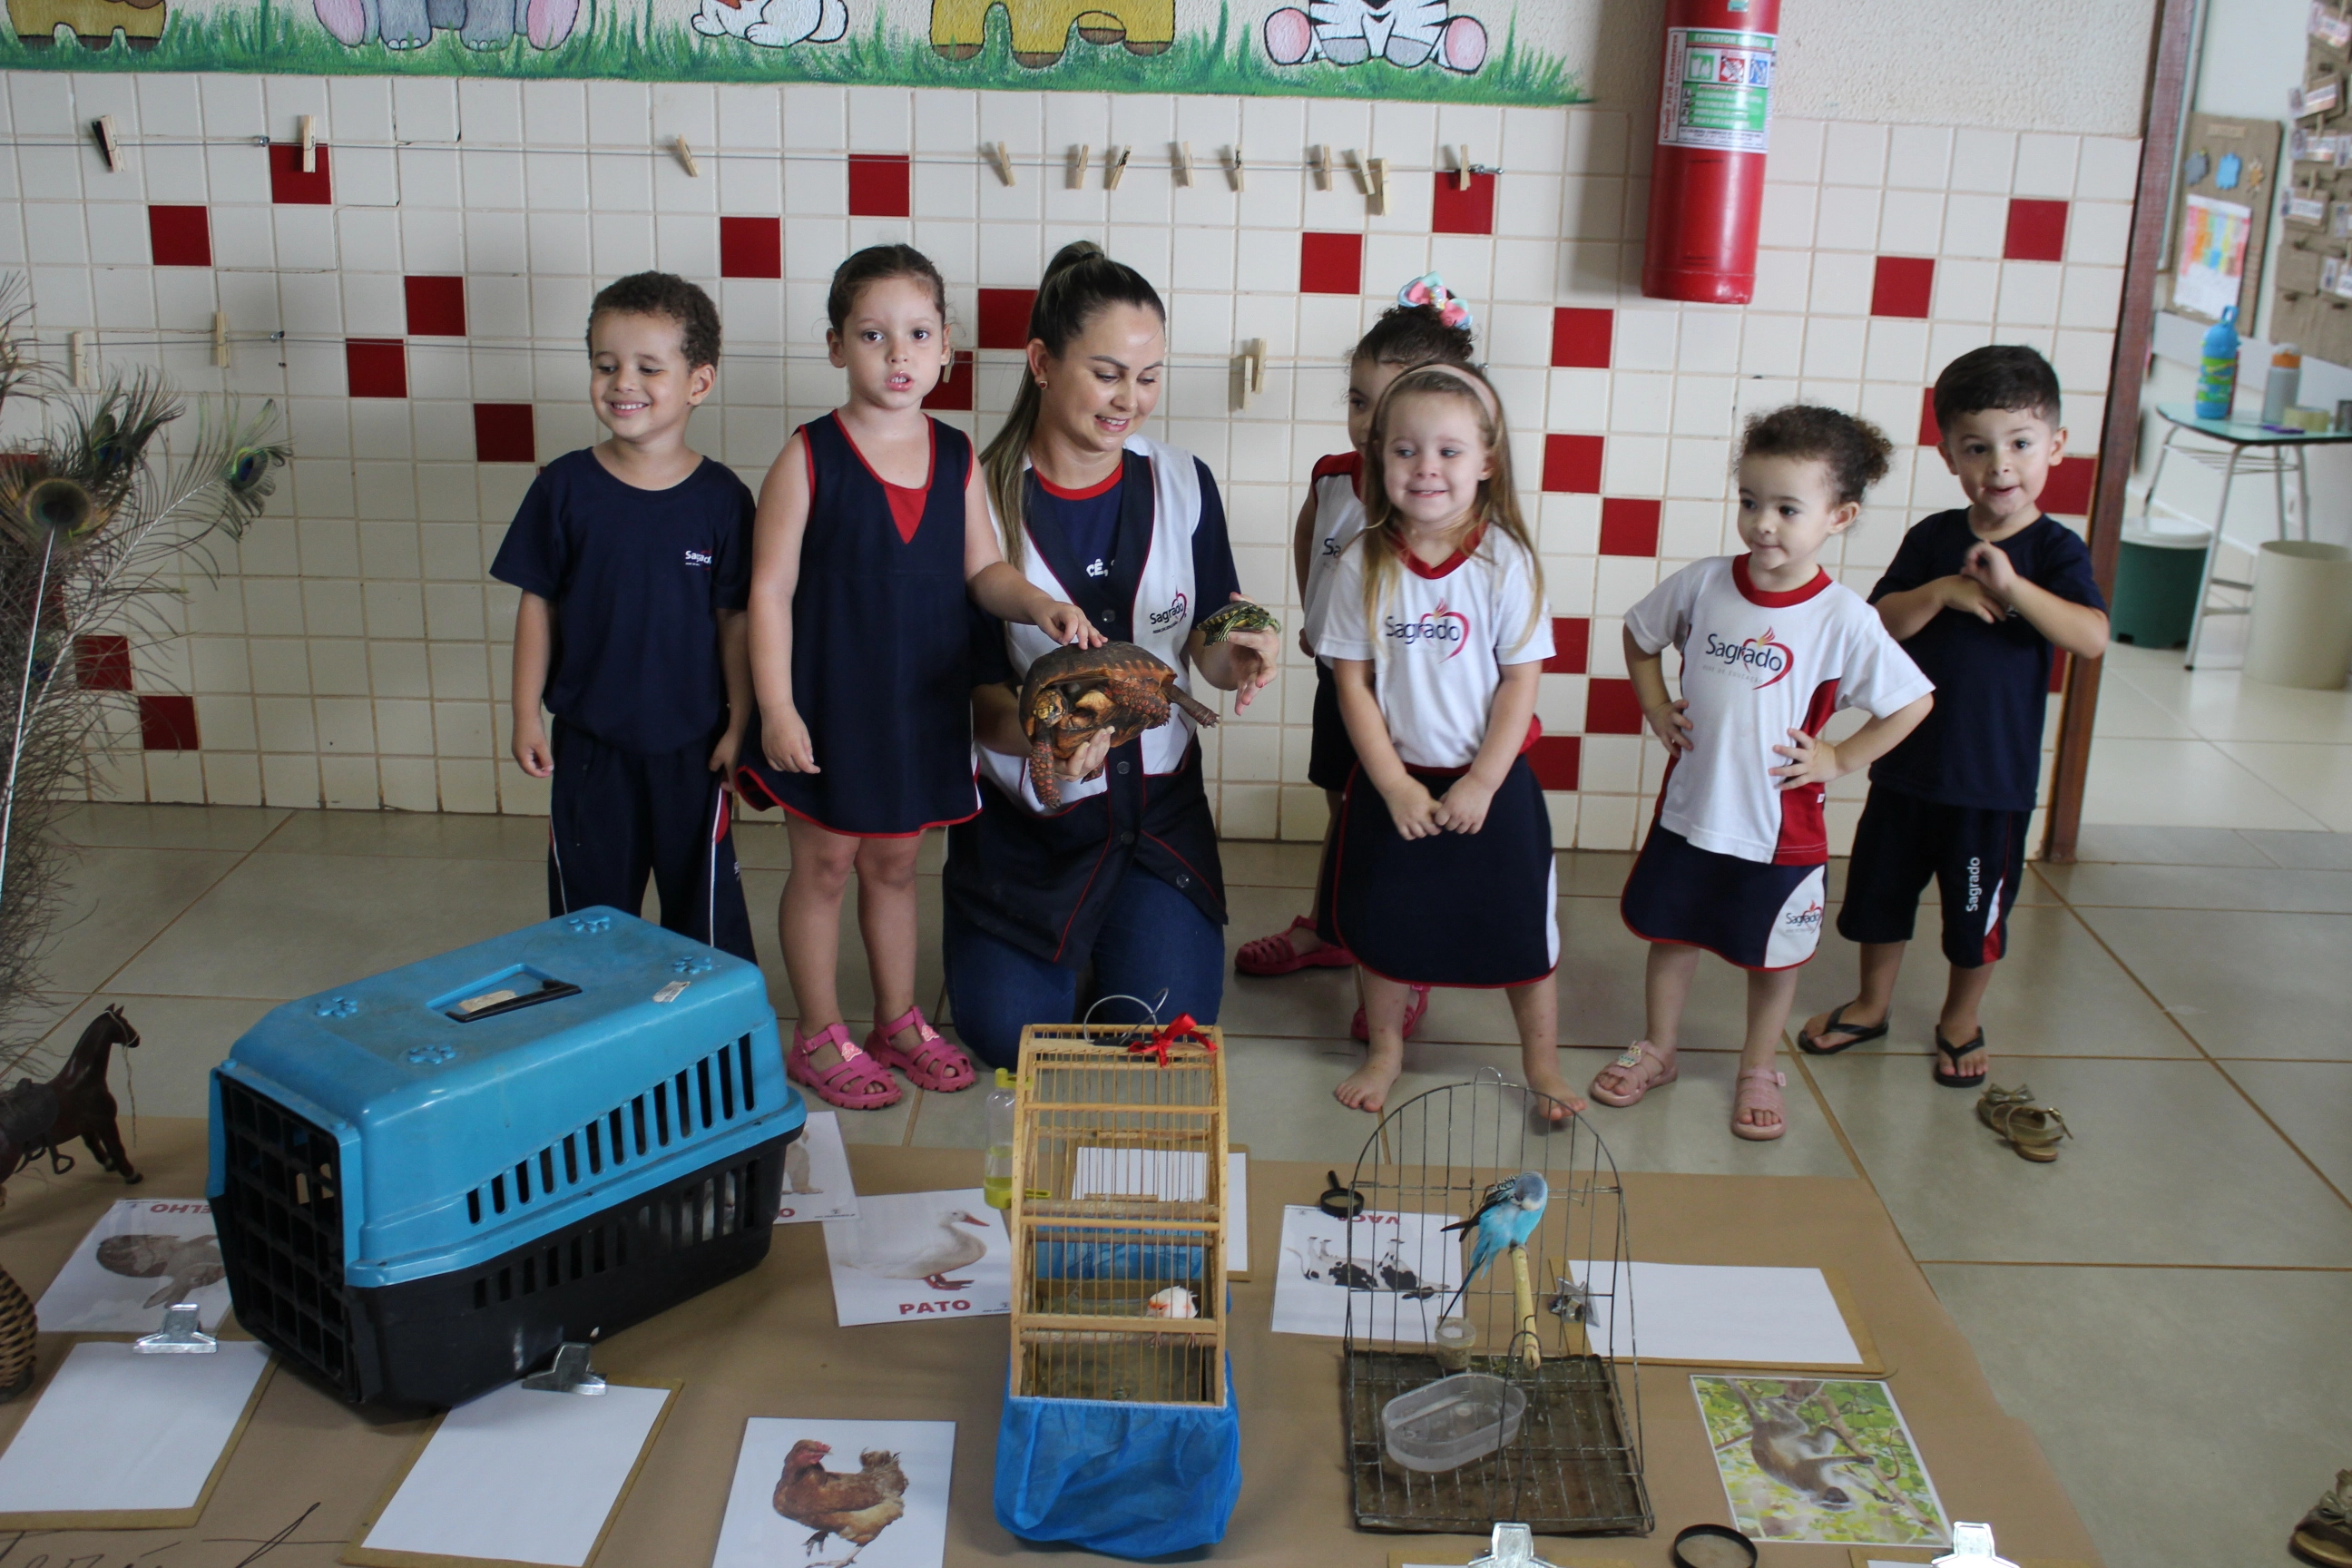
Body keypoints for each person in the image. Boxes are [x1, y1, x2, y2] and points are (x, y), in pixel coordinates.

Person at [738, 245, 1095, 1110]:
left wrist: (1037, 603)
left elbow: (984, 572)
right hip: (829, 706)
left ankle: (897, 1018)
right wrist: (778, 707)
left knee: (896, 866)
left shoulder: (957, 455)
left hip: (920, 705)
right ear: (836, 348)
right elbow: (769, 590)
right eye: (873, 334)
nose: (897, 355)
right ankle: (818, 1031)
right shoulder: (809, 456)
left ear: (946, 350)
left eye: (917, 334)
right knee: (825, 865)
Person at [943, 242, 1280, 1070]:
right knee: (1008, 1039)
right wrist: (1052, 735)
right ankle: (1046, 944)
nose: (1130, 400)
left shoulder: (1182, 481)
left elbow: (1211, 619)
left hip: (1156, 814)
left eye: (1149, 376)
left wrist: (1238, 652)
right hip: (1034, 823)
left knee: (1160, 1032)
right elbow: (977, 700)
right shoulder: (975, 500)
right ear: (1042, 363)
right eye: (1107, 374)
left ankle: (1126, 929)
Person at [1591, 407, 1935, 1141]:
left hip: (1781, 827)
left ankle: (1757, 1064)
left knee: (1773, 958)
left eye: (1786, 508)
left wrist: (1840, 757)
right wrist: (1656, 706)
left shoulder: (1844, 617)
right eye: (1750, 502)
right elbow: (1638, 633)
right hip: (1691, 811)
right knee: (1671, 936)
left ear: (1838, 517)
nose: (1762, 524)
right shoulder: (1705, 584)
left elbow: (1913, 703)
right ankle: (1659, 1048)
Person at [1797, 346, 2108, 1086]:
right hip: (1905, 767)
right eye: (1978, 447)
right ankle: (1872, 1004)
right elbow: (1879, 623)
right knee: (1879, 897)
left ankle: (1960, 1019)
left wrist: (2013, 588)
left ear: (2055, 447)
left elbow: (2091, 636)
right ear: (1949, 456)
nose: (2000, 464)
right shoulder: (1936, 538)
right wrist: (1943, 590)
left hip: (1989, 785)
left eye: (2021, 444)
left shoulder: (2056, 550)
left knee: (1974, 916)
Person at [1314, 363, 1578, 1117]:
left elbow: (1520, 685)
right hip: (1396, 782)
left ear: (1487, 463)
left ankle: (1544, 1066)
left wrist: (1483, 783)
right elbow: (1352, 684)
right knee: (1386, 927)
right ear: (1379, 461)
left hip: (1491, 784)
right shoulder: (1362, 562)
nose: (1426, 467)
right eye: (1405, 451)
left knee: (1523, 929)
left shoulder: (1506, 563)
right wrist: (1395, 784)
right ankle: (1386, 1051)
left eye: (1449, 451)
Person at [1233, 277, 1480, 1052]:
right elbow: (1315, 539)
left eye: (1389, 401)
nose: (1369, 420)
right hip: (1340, 681)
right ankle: (1334, 928)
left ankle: (1409, 963)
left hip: (1414, 701)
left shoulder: (1440, 496)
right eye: (1358, 399)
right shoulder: (1334, 475)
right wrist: (1315, 616)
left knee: (1404, 828)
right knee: (1344, 806)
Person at [496, 271, 758, 961]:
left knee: (702, 923)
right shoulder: (564, 487)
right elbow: (536, 605)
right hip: (590, 747)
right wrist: (526, 712)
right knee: (588, 929)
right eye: (606, 366)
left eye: (647, 367)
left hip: (692, 751)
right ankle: (598, 1041)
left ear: (698, 383)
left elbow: (736, 622)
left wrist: (741, 722)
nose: (622, 383)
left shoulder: (724, 500)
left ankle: (705, 1043)